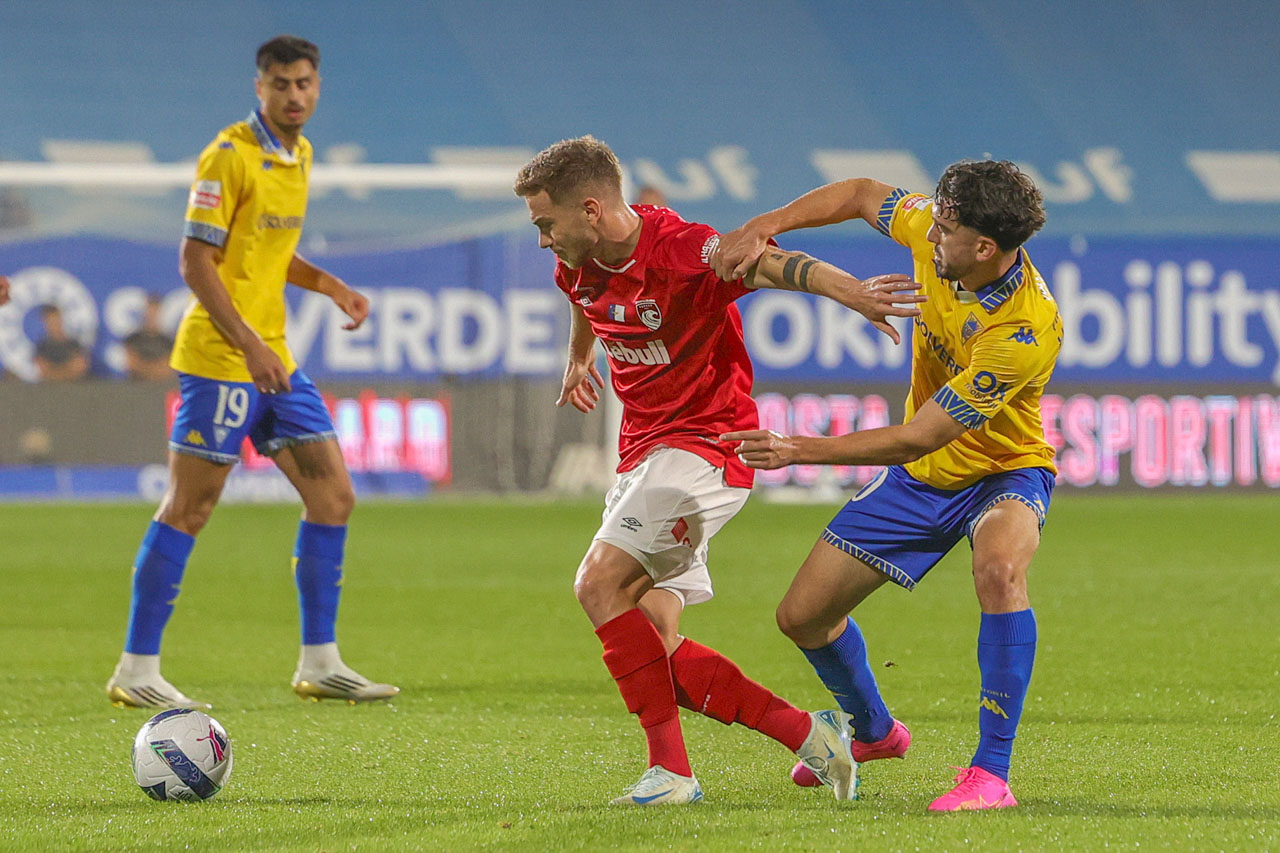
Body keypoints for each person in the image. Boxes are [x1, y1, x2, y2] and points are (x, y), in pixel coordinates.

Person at [513, 135, 924, 805]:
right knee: (652, 645)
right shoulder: (577, 263)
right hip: (643, 457)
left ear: (590, 209)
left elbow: (771, 264)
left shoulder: (684, 250)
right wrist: (578, 359)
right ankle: (812, 737)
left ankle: (672, 773)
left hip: (707, 447)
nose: (541, 240)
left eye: (545, 224)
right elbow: (586, 305)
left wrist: (852, 292)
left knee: (596, 584)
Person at [715, 161, 1059, 811]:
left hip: (1002, 470)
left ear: (984, 247)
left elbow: (918, 435)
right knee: (802, 616)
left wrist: (797, 449)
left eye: (946, 229)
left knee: (1000, 570)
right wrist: (768, 223)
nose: (930, 233)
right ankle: (874, 732)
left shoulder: (1022, 330)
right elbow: (860, 192)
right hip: (923, 482)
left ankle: (991, 772)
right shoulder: (939, 227)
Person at [106, 35, 397, 710]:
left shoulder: (299, 155)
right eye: (281, 84)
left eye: (304, 83)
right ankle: (136, 666)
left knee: (334, 496)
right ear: (258, 87)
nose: (294, 95)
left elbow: (272, 253)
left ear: (317, 87)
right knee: (191, 505)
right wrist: (249, 346)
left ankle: (320, 662)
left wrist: (329, 286)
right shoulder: (228, 156)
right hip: (220, 358)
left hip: (273, 358)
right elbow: (194, 261)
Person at [123, 293, 176, 381]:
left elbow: (167, 370)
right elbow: (131, 365)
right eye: (149, 311)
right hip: (135, 389)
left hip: (160, 390)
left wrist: (144, 367)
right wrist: (154, 370)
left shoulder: (168, 341)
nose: (152, 315)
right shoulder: (133, 339)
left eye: (155, 311)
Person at [34, 304, 90, 381]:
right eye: (50, 321)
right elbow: (42, 371)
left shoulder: (74, 344)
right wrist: (68, 370)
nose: (54, 324)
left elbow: (79, 368)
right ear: (45, 322)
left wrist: (54, 370)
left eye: (56, 319)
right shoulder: (42, 347)